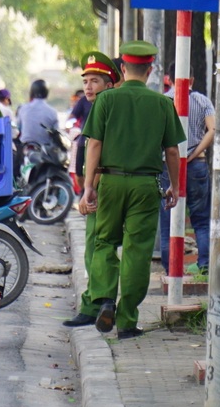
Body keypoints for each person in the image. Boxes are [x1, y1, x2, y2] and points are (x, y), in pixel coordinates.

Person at [75, 41, 184, 339]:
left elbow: (93, 144)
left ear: (123, 68)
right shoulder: (163, 103)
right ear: (149, 70)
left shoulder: (106, 101)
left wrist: (88, 187)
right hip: (146, 185)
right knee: (137, 250)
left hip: (110, 182)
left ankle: (105, 297)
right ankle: (127, 321)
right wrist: (174, 186)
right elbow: (172, 151)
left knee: (104, 242)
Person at [63, 51, 119, 329]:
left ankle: (97, 303)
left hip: (101, 187)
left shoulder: (104, 108)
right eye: (86, 81)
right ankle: (100, 301)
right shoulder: (96, 107)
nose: (88, 86)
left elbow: (100, 151)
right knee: (99, 247)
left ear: (109, 84)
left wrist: (89, 189)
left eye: (95, 81)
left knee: (97, 247)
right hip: (102, 185)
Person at [158, 64, 215, 275]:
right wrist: (194, 152)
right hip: (197, 164)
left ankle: (170, 268)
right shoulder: (202, 101)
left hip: (166, 165)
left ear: (169, 79)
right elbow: (213, 129)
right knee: (201, 220)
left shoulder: (163, 101)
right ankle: (205, 265)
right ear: (191, 78)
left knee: (167, 221)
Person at [16, 79, 58, 149]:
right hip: (45, 149)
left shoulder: (23, 108)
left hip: (25, 147)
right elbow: (56, 132)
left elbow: (19, 127)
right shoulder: (52, 111)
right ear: (46, 92)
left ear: (32, 92)